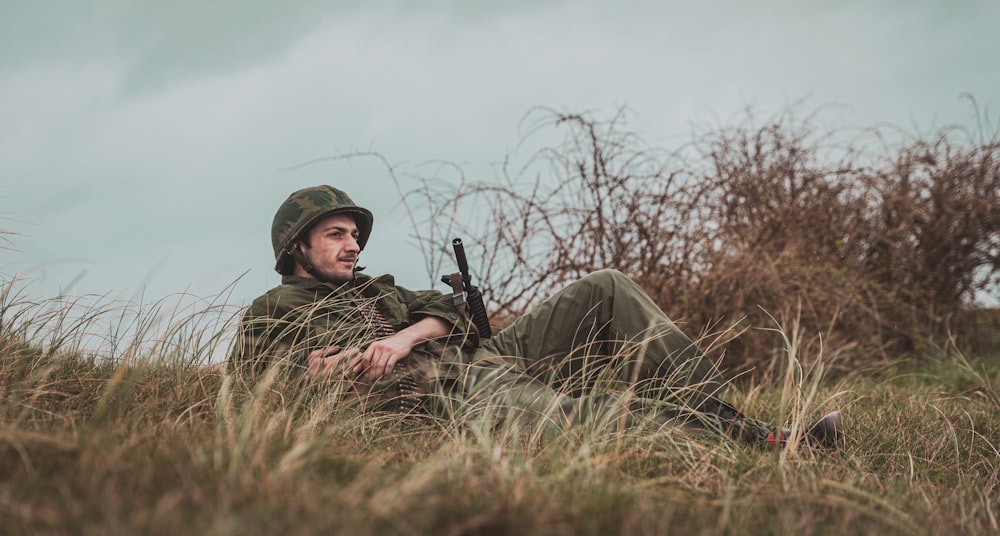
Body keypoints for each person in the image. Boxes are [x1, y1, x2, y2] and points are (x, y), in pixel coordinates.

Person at [230, 185, 844, 448]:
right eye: (336, 234)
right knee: (599, 415)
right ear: (296, 247)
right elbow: (254, 391)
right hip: (443, 395)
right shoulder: (272, 311)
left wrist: (405, 333)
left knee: (607, 287)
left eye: (355, 235)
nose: (353, 245)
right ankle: (772, 444)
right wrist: (322, 376)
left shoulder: (380, 290)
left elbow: (448, 313)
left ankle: (723, 413)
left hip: (480, 360)